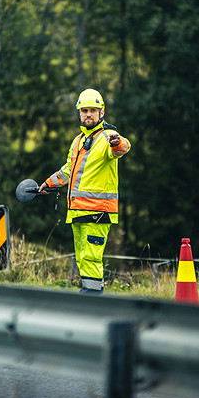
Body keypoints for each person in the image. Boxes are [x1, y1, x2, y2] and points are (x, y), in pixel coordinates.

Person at [38, 89, 131, 295]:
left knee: (91, 258)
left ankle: (92, 297)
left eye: (93, 110)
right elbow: (68, 171)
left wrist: (118, 143)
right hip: (77, 212)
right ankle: (90, 294)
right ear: (79, 113)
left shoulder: (107, 136)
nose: (88, 114)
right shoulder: (78, 141)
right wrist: (48, 184)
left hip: (97, 212)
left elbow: (122, 147)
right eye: (84, 110)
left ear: (102, 112)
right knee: (82, 257)